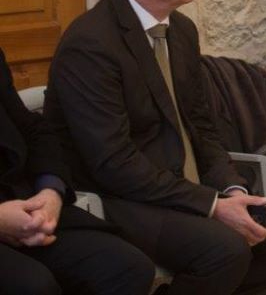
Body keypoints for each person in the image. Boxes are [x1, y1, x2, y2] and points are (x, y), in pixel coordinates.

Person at [44, 0, 266, 295]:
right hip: (121, 196)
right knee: (225, 251)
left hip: (183, 187)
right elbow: (112, 162)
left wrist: (231, 190)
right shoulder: (91, 44)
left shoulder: (181, 30)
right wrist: (211, 205)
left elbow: (202, 127)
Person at [0, 47, 154, 295]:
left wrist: (51, 192)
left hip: (23, 207)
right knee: (33, 285)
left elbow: (33, 130)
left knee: (126, 267)